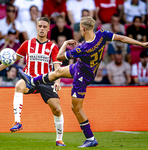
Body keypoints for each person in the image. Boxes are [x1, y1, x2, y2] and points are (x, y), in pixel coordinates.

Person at [17, 17, 148, 147]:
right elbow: (123, 38)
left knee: (76, 108)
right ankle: (32, 81)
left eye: (80, 28)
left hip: (83, 76)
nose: (79, 30)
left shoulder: (84, 48)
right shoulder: (102, 35)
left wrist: (64, 44)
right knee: (58, 72)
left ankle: (90, 138)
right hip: (83, 67)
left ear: (83, 29)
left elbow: (59, 57)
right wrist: (141, 44)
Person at [0, 17, 66, 146]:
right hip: (30, 79)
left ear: (48, 28)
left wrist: (58, 81)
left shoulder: (53, 47)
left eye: (45, 27)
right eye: (40, 26)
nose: (42, 29)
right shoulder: (27, 44)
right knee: (19, 85)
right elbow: (12, 60)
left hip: (46, 81)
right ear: (36, 27)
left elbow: (57, 67)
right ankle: (17, 122)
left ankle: (59, 139)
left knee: (56, 109)